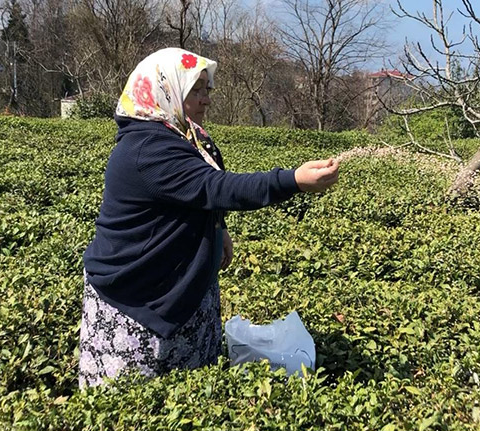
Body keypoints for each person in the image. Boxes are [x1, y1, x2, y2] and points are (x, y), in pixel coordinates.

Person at [78, 47, 339, 388]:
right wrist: (292, 181)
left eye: (207, 89)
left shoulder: (188, 136)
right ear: (166, 90)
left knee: (189, 397)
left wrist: (219, 228)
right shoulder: (146, 149)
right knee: (135, 401)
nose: (205, 100)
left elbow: (200, 193)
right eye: (194, 91)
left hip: (181, 288)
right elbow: (216, 187)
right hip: (138, 298)